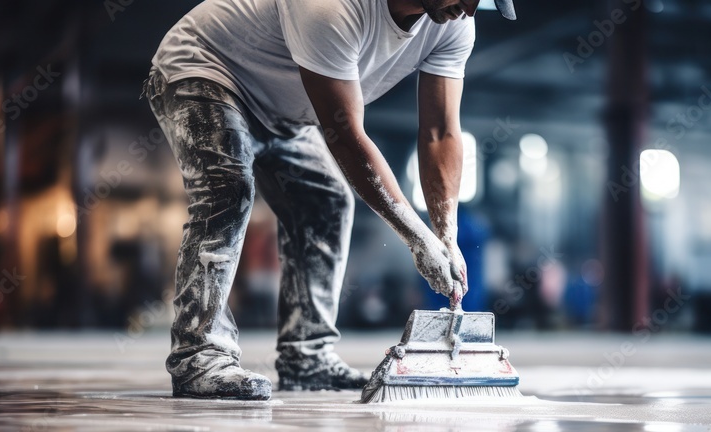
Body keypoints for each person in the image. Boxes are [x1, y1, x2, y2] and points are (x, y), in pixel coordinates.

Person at [145, 0, 517, 400]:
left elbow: (441, 133)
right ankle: (198, 356)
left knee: (328, 201)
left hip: (287, 112)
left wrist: (446, 233)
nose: (470, 8)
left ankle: (307, 356)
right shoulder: (331, 7)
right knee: (228, 190)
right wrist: (416, 236)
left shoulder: (454, 22)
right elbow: (347, 137)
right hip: (209, 71)